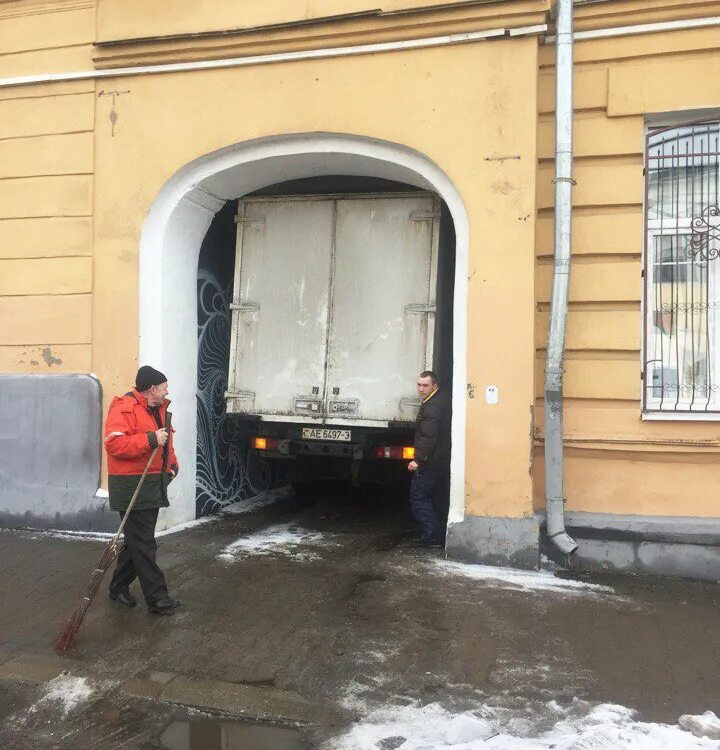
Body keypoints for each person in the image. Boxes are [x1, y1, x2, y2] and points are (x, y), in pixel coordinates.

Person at [104, 366, 181, 615]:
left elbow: (165, 443)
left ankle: (118, 587)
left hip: (151, 483)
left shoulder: (159, 410)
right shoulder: (124, 408)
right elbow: (114, 444)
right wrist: (149, 439)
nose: (167, 390)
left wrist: (172, 467)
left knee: (137, 542)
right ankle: (157, 598)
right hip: (131, 486)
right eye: (164, 387)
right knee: (144, 543)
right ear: (152, 389)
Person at [408, 370, 451, 548]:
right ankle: (440, 535)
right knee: (438, 497)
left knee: (418, 496)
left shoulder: (432, 406)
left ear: (434, 386)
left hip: (431, 462)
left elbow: (428, 436)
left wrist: (418, 460)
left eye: (425, 385)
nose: (421, 389)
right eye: (419, 385)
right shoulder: (441, 399)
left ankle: (432, 538)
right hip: (441, 460)